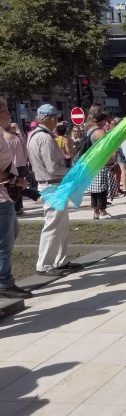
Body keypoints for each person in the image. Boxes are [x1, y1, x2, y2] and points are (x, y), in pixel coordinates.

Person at [26, 104, 83, 277]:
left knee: (60, 225)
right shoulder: (45, 138)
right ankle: (44, 264)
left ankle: (60, 260)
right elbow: (52, 167)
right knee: (52, 225)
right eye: (57, 119)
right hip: (52, 185)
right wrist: (72, 172)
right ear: (50, 119)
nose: (58, 122)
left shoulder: (34, 136)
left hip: (51, 184)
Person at [0, 97, 33, 299]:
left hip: (5, 197)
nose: (9, 114)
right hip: (2, 198)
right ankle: (5, 283)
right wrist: (16, 181)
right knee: (4, 242)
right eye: (5, 110)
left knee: (11, 236)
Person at [86, 112, 114, 219]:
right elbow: (105, 148)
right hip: (100, 162)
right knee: (101, 188)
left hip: (91, 162)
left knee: (94, 189)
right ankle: (102, 211)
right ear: (102, 121)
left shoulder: (89, 131)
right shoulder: (101, 132)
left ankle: (96, 211)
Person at [3, 116, 28, 215]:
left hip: (17, 164)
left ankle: (17, 207)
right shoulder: (11, 138)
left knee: (16, 187)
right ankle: (17, 207)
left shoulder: (14, 138)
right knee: (16, 186)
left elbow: (24, 146)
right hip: (16, 164)